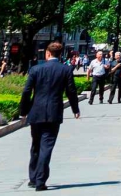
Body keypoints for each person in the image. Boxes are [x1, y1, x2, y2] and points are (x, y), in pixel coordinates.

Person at [19, 41, 81, 191]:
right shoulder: (65, 70)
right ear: (60, 55)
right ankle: (40, 181)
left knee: (36, 145)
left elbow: (27, 91)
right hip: (54, 112)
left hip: (36, 112)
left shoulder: (35, 69)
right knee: (47, 146)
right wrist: (75, 109)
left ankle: (33, 178)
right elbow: (71, 91)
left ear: (47, 53)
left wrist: (23, 111)